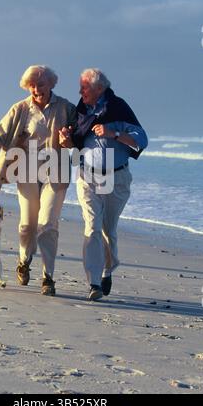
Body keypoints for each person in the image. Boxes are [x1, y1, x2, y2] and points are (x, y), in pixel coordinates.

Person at [0, 65, 76, 296]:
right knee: (27, 225)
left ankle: (48, 278)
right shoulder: (20, 109)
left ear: (51, 84)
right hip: (25, 170)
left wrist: (69, 141)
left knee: (47, 225)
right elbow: (0, 133)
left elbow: (80, 136)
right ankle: (24, 260)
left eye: (41, 84)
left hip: (55, 173)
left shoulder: (66, 108)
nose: (36, 89)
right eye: (32, 86)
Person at [59, 68, 148, 301]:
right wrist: (67, 141)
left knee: (109, 230)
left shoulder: (119, 108)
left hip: (115, 177)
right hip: (87, 176)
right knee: (92, 227)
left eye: (84, 87)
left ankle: (109, 269)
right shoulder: (81, 111)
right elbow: (75, 142)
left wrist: (114, 133)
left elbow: (142, 140)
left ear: (99, 88)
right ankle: (94, 283)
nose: (80, 91)